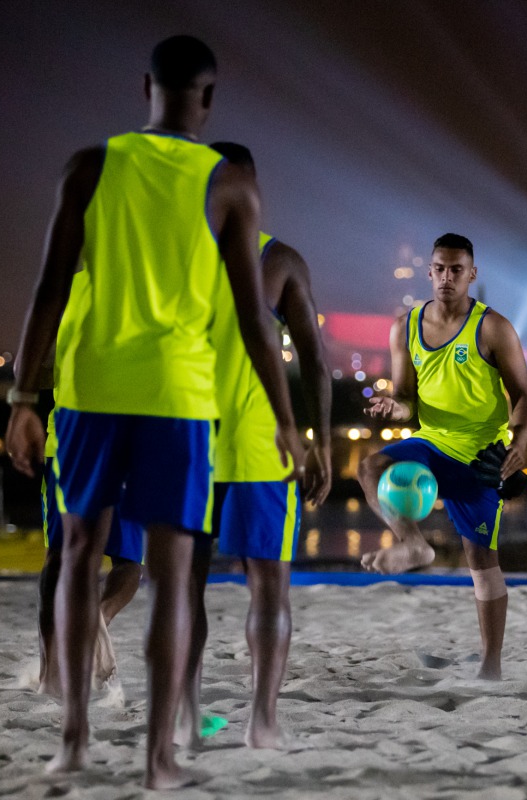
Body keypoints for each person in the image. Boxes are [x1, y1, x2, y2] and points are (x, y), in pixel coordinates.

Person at [5, 36, 303, 789]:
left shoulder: (90, 165)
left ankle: (72, 736)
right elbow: (252, 316)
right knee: (173, 578)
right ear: (208, 98)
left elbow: (48, 289)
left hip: (91, 389)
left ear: (146, 86)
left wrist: (21, 397)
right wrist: (286, 419)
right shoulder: (230, 184)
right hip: (179, 395)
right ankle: (158, 758)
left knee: (77, 557)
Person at [178, 141, 332, 749]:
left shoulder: (174, 254)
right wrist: (317, 439)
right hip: (259, 439)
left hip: (186, 435)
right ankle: (261, 722)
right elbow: (315, 360)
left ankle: (189, 716)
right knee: (269, 583)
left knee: (184, 584)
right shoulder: (280, 259)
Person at [358, 233, 527, 680]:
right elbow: (405, 397)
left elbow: (524, 398)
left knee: (482, 563)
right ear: (429, 271)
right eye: (439, 268)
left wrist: (519, 442)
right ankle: (412, 544)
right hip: (432, 444)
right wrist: (392, 407)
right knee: (370, 466)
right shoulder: (405, 326)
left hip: (481, 457)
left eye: (457, 269)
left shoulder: (494, 327)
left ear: (472, 274)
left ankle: (491, 665)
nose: (447, 277)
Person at [37, 399, 142, 698]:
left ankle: (51, 677)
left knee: (58, 555)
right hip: (130, 433)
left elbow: (29, 365)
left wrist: (20, 402)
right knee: (129, 559)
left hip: (71, 433)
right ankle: (100, 615)